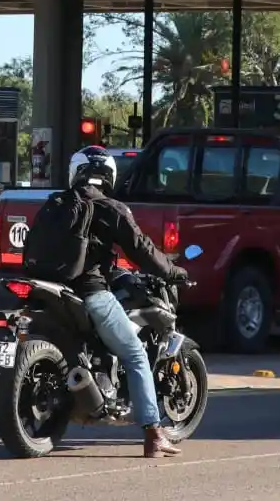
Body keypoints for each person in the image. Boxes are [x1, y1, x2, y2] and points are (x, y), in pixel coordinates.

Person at [27, 145, 190, 458]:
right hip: (91, 293)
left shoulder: (55, 204)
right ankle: (154, 435)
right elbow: (142, 250)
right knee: (136, 353)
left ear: (76, 171)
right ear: (109, 174)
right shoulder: (110, 207)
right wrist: (174, 270)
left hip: (48, 289)